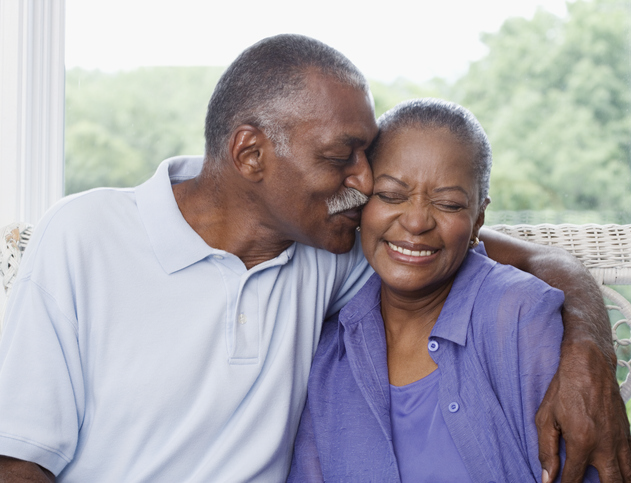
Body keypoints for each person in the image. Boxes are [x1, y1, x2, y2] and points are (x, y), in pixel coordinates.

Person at [0, 35, 627, 482]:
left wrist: (589, 351)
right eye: (341, 157)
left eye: (369, 158)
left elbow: (534, 260)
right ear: (250, 154)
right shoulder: (83, 237)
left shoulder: (336, 247)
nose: (365, 179)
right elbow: (20, 459)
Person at [288, 98, 599, 482]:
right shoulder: (329, 352)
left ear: (478, 220)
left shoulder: (519, 317)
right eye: (390, 195)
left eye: (448, 203)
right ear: (361, 205)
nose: (417, 221)